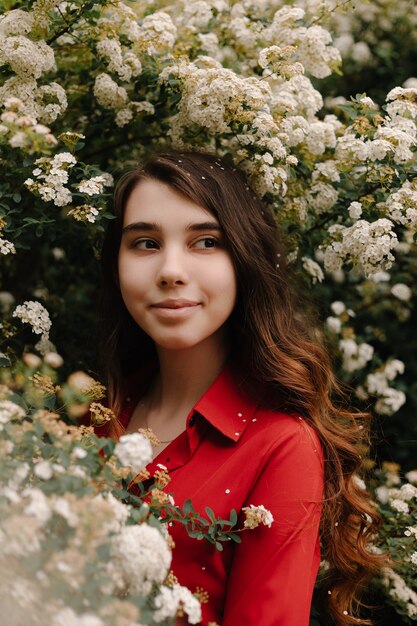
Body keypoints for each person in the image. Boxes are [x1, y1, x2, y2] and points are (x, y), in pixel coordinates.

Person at [97, 151, 385, 626]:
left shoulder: (282, 447)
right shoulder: (100, 416)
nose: (170, 270)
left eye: (205, 241)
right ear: (117, 265)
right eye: (145, 243)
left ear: (245, 260)